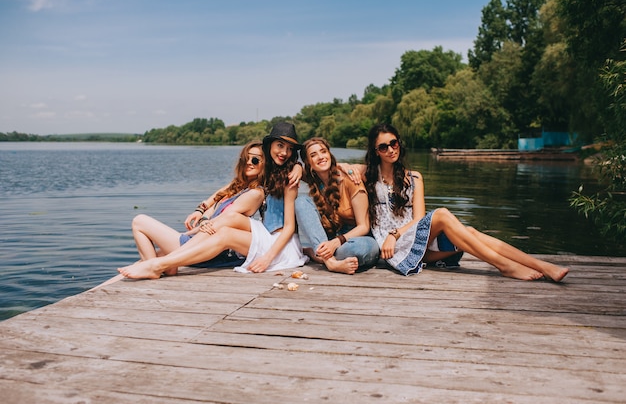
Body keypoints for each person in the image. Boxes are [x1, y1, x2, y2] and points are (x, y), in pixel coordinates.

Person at [351, 123, 570, 281]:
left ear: (399, 143)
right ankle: (505, 266)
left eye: (393, 143)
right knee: (443, 214)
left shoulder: (414, 177)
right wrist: (352, 171)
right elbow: (333, 166)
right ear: (375, 151)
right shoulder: (368, 176)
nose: (390, 149)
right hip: (394, 249)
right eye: (383, 147)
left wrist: (395, 233)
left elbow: (419, 219)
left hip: (413, 239)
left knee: (471, 231)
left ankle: (541, 265)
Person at [117, 121, 308, 279]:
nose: (285, 152)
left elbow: (290, 227)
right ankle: (157, 265)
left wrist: (267, 258)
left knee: (227, 226)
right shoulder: (269, 174)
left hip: (279, 244)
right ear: (270, 147)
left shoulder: (289, 179)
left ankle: (156, 265)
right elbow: (227, 188)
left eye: (290, 149)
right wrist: (202, 211)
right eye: (280, 146)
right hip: (264, 235)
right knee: (228, 220)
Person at [130, 140, 266, 275]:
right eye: (245, 159)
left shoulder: (254, 193)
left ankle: (153, 270)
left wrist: (189, 232)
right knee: (141, 262)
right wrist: (201, 213)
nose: (248, 162)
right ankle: (155, 267)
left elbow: (224, 219)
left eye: (255, 160)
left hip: (207, 248)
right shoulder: (238, 185)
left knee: (139, 221)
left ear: (264, 164)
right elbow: (214, 201)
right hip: (199, 239)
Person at [295, 138, 379, 274]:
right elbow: (289, 165)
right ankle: (331, 262)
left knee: (356, 250)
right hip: (331, 240)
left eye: (323, 151)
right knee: (301, 202)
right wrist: (298, 166)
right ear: (309, 164)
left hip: (359, 238)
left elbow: (364, 226)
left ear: (330, 154)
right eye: (313, 155)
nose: (320, 157)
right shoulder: (314, 180)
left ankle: (317, 254)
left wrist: (336, 242)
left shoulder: (350, 179)